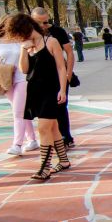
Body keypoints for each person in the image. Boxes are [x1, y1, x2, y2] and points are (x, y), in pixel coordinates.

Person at [11, 13, 69, 180]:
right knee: (52, 128)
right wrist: (24, 48)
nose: (21, 37)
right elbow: (24, 70)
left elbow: (61, 67)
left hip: (52, 90)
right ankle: (63, 161)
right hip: (36, 90)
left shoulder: (51, 42)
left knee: (43, 128)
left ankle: (45, 167)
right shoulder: (28, 46)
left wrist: (63, 90)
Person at [0, 16, 39, 156]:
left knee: (18, 111)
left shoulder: (24, 39)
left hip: (23, 78)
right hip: (7, 79)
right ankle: (32, 139)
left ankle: (17, 144)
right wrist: (4, 68)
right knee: (20, 111)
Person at [31, 8, 75, 148]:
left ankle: (66, 137)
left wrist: (68, 73)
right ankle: (53, 141)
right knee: (44, 112)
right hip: (39, 80)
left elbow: (69, 52)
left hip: (58, 76)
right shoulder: (29, 33)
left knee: (60, 107)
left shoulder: (58, 32)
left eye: (46, 22)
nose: (43, 26)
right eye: (39, 22)